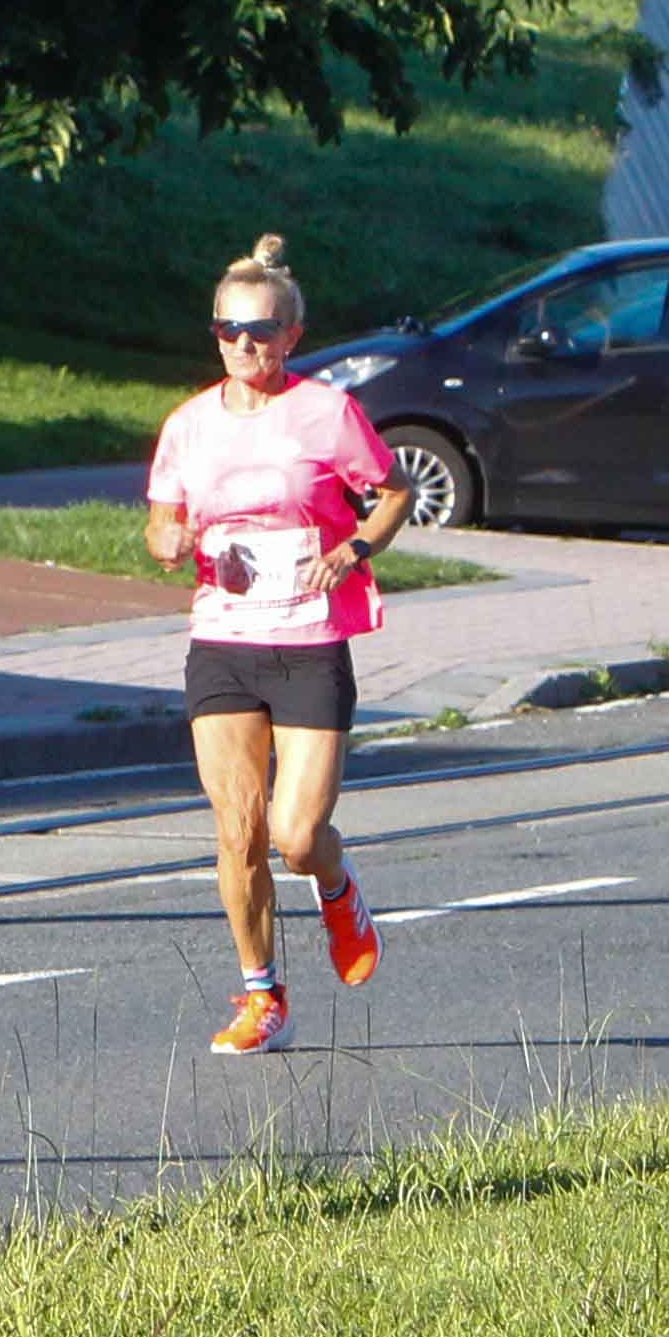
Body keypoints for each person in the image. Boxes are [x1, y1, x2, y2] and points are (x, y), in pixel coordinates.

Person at [144, 235, 413, 1059]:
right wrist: (174, 537)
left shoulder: (326, 413)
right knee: (237, 830)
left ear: (292, 335)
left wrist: (358, 547)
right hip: (223, 639)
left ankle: (335, 885)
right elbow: (160, 523)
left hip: (308, 639)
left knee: (295, 835)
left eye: (259, 330)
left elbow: (393, 490)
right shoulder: (189, 425)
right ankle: (263, 996)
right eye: (227, 329)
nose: (242, 345)